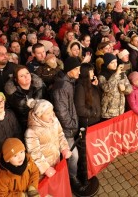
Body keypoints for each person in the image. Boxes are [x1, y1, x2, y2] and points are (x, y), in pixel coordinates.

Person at [51, 56, 84, 192]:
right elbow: (62, 111)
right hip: (67, 129)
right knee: (73, 155)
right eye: (76, 69)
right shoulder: (61, 86)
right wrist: (73, 125)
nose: (79, 72)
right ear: (69, 70)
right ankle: (72, 178)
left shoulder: (70, 81)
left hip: (72, 126)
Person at [25, 99, 71, 179]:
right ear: (39, 115)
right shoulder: (32, 132)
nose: (51, 115)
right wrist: (45, 168)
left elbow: (60, 135)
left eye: (51, 111)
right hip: (43, 171)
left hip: (56, 160)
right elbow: (34, 153)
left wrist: (64, 148)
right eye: (47, 113)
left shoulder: (54, 121)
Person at [4, 65, 45, 132]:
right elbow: (9, 111)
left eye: (27, 73)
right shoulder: (11, 93)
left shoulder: (39, 86)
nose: (26, 77)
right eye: (22, 76)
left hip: (41, 121)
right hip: (22, 126)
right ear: (16, 79)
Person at [98, 53, 132, 119]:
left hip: (120, 110)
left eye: (116, 62)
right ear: (107, 64)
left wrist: (125, 89)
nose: (115, 64)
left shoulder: (121, 73)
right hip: (108, 112)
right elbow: (106, 88)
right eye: (112, 63)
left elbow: (129, 86)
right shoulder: (102, 75)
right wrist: (116, 74)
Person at [74, 63, 101, 128]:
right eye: (91, 71)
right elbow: (80, 109)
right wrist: (92, 113)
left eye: (93, 71)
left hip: (96, 120)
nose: (93, 74)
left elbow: (99, 99)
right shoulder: (80, 87)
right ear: (85, 72)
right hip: (88, 123)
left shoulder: (91, 84)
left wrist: (96, 86)